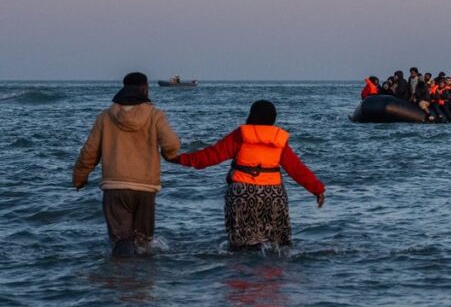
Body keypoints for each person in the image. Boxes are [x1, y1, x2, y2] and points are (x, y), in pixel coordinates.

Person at [170, 100, 325, 250]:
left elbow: (211, 156)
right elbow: (296, 169)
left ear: (251, 115)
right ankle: (277, 268)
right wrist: (317, 189)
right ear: (273, 118)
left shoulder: (241, 135)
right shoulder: (278, 140)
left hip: (243, 193)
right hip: (273, 195)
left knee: (241, 246)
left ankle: (242, 267)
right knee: (278, 246)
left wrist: (179, 159)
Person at [72, 72, 180, 257]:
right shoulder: (155, 115)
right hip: (145, 188)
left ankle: (121, 272)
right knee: (143, 243)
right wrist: (168, 155)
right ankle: (142, 274)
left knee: (121, 241)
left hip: (115, 188)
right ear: (145, 88)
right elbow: (172, 145)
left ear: (124, 87)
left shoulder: (105, 117)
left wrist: (79, 178)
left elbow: (89, 151)